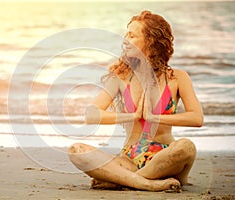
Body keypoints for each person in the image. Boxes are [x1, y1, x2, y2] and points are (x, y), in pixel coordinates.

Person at [68, 10, 203, 192]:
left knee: (186, 147)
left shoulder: (178, 78)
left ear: (150, 41)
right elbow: (91, 115)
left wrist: (153, 118)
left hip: (166, 157)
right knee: (77, 150)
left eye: (132, 35)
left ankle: (122, 180)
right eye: (126, 34)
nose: (125, 40)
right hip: (128, 160)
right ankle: (145, 183)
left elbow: (196, 118)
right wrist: (132, 115)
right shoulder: (121, 77)